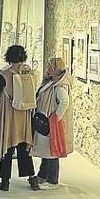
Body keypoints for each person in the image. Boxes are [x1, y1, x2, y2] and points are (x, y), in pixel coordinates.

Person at [0, 45, 39, 191]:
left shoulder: (4, 75)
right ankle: (32, 179)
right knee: (24, 148)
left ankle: (5, 182)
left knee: (7, 147)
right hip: (24, 116)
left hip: (8, 116)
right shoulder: (30, 73)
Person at [32, 57, 73, 186]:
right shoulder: (51, 81)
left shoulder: (61, 85)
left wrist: (55, 117)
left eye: (50, 67)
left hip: (51, 122)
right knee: (47, 150)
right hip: (45, 120)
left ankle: (51, 178)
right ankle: (43, 175)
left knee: (52, 150)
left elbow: (64, 102)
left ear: (56, 69)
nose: (48, 69)